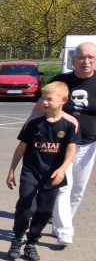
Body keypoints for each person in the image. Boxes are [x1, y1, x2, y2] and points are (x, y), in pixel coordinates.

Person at [6, 81, 77, 261]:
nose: (44, 102)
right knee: (26, 208)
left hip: (52, 176)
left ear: (63, 100)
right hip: (31, 172)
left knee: (44, 211)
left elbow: (71, 150)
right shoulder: (33, 123)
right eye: (43, 98)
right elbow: (21, 147)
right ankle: (17, 238)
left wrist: (62, 169)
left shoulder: (70, 124)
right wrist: (12, 170)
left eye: (49, 99)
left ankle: (31, 243)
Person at [42, 41, 96, 246]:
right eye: (81, 57)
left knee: (78, 190)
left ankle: (60, 223)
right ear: (73, 60)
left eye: (91, 57)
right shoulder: (61, 81)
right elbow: (43, 107)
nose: (86, 61)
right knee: (64, 185)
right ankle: (65, 230)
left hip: (88, 145)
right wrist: (30, 131)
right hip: (61, 145)